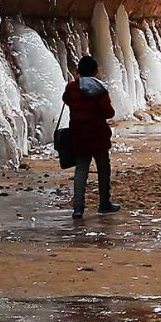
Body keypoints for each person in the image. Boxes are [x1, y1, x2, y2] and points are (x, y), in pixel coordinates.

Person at [61, 55, 116, 218]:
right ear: (95, 71)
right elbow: (109, 112)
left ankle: (78, 208)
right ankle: (104, 204)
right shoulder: (100, 89)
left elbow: (66, 100)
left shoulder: (71, 88)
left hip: (79, 134)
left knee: (81, 170)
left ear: (78, 70)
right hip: (98, 134)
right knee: (103, 169)